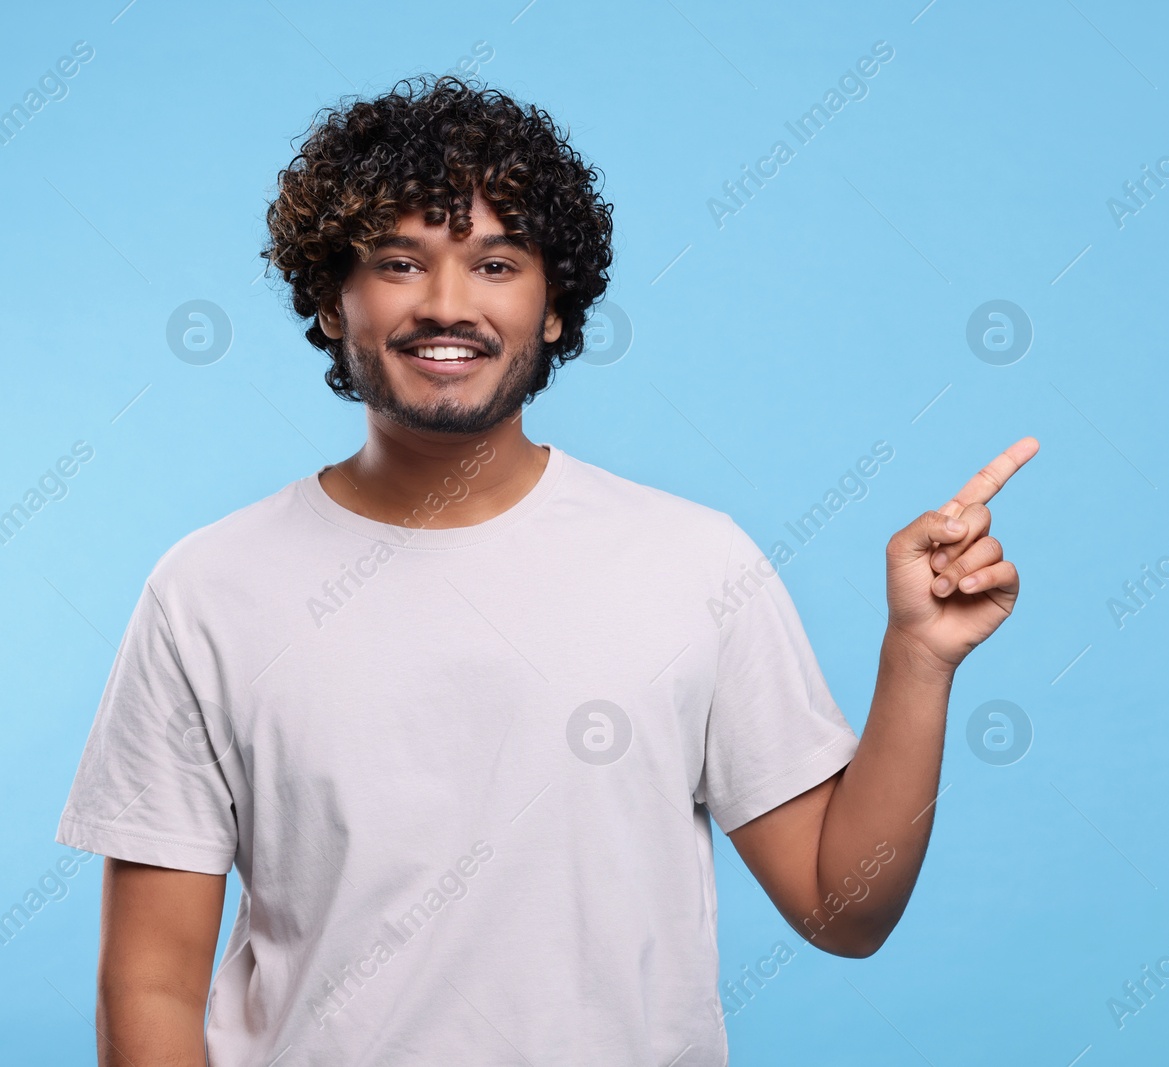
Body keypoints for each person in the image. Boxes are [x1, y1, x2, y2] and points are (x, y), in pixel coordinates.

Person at [56, 73, 1037, 1066]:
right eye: (399, 261)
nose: (447, 305)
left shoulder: (695, 563)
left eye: (496, 263)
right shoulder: (207, 590)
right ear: (328, 299)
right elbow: (150, 982)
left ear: (554, 307)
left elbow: (843, 907)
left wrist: (917, 656)